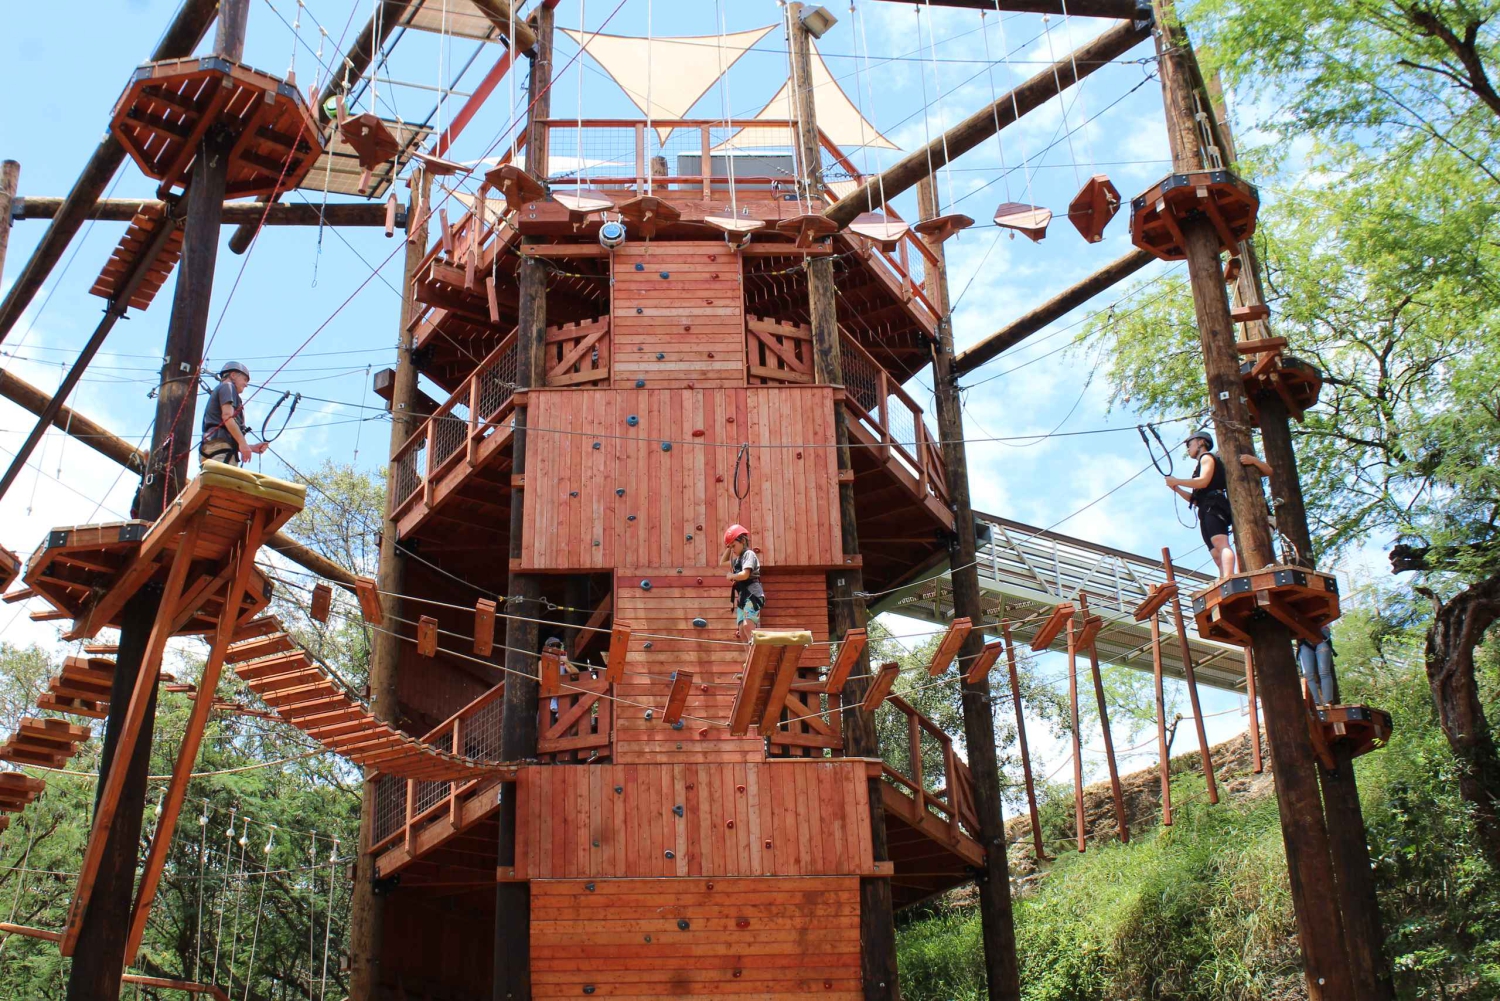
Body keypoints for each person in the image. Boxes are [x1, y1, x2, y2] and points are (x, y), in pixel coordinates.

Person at [200, 361, 268, 468]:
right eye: (245, 379)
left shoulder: (223, 390)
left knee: (213, 484)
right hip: (221, 450)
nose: (246, 384)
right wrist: (243, 443)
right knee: (225, 483)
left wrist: (251, 447)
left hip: (213, 448)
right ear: (233, 375)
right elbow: (227, 416)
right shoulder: (228, 386)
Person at [720, 524, 764, 643]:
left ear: (743, 541)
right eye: (731, 547)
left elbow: (745, 574)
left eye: (734, 546)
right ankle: (748, 658)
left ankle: (755, 650)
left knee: (747, 625)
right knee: (741, 630)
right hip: (743, 598)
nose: (733, 549)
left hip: (753, 595)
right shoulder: (737, 561)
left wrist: (732, 576)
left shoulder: (748, 555)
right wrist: (729, 546)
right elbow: (722, 562)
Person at [1297, 625, 1337, 705]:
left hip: (1321, 633)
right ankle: (1316, 703)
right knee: (1308, 674)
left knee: (1324, 671)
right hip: (1303, 636)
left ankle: (1328, 702)